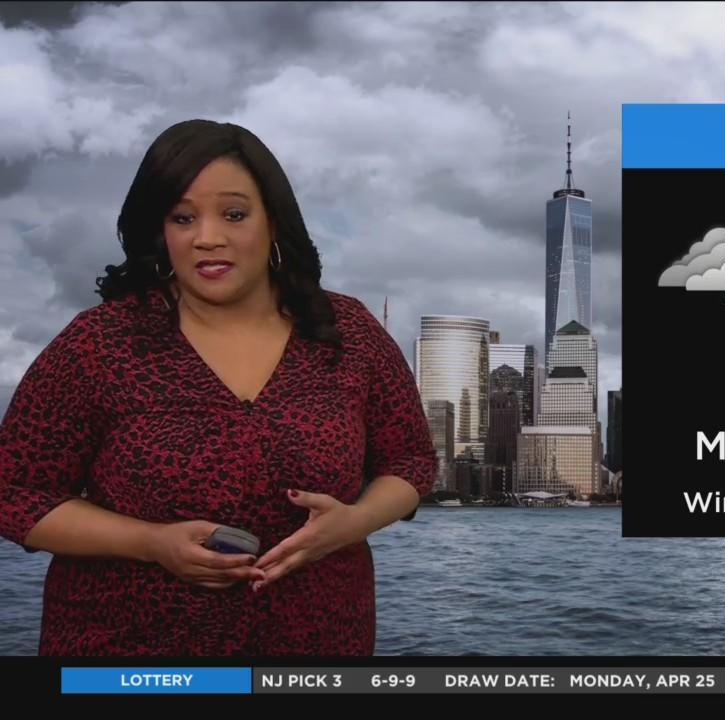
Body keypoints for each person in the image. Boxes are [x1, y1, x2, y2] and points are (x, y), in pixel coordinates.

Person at [0, 119, 438, 656]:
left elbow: (410, 461)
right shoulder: (99, 343)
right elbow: (15, 493)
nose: (207, 237)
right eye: (183, 218)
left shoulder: (347, 331)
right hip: (127, 655)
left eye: (234, 214)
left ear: (273, 221)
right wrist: (151, 543)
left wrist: (352, 524)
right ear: (160, 230)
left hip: (318, 645)